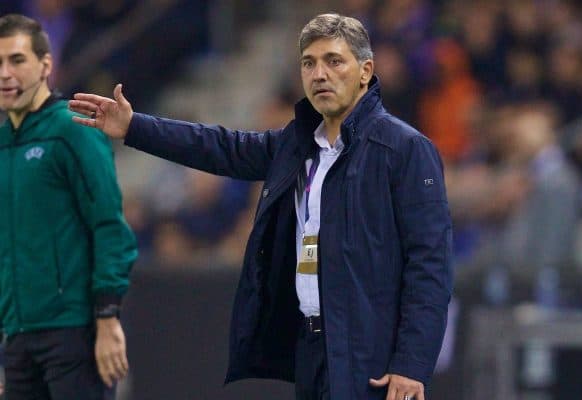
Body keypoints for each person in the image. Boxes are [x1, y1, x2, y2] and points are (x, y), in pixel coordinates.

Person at [70, 13, 453, 400]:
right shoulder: (296, 144)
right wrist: (135, 126)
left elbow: (430, 265)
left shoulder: (405, 150)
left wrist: (410, 365)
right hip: (312, 348)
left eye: (334, 61)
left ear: (365, 71)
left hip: (373, 357)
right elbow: (219, 146)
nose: (319, 74)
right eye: (309, 63)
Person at [0, 14, 137, 399]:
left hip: (74, 334)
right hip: (17, 338)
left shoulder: (72, 129)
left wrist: (107, 318)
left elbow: (109, 225)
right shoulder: (2, 143)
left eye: (17, 60)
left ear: (46, 65)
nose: (5, 73)